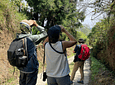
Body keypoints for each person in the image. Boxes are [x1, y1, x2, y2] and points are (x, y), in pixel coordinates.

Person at [17, 19, 47, 85]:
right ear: (28, 28)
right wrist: (36, 25)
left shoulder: (18, 37)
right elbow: (45, 33)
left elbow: (26, 34)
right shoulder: (32, 39)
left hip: (22, 68)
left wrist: (28, 26)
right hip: (31, 69)